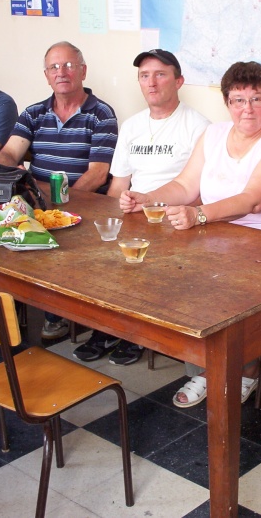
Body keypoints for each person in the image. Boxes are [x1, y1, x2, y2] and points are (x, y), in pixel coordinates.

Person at [119, 61, 261, 406]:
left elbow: (254, 201)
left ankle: (243, 370)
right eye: (238, 100)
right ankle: (210, 365)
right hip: (220, 235)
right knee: (174, 272)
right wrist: (146, 198)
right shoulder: (214, 134)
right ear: (227, 103)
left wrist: (199, 215)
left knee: (228, 284)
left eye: (256, 99)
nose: (247, 108)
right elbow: (185, 185)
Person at [72, 49, 210, 366]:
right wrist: (111, 219)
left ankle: (135, 333)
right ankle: (108, 328)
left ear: (179, 81)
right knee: (98, 247)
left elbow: (199, 192)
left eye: (160, 74)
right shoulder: (133, 126)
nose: (151, 82)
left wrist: (151, 206)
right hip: (134, 215)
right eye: (144, 76)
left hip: (175, 220)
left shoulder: (198, 126)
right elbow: (119, 185)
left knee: (142, 255)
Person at [0, 41, 118, 339]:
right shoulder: (34, 113)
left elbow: (98, 173)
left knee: (60, 234)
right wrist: (12, 171)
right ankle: (8, 309)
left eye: (69, 65)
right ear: (46, 75)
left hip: (83, 203)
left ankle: (63, 313)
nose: (61, 72)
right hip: (38, 201)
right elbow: (9, 153)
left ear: (83, 71)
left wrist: (59, 202)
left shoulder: (101, 115)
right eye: (54, 67)